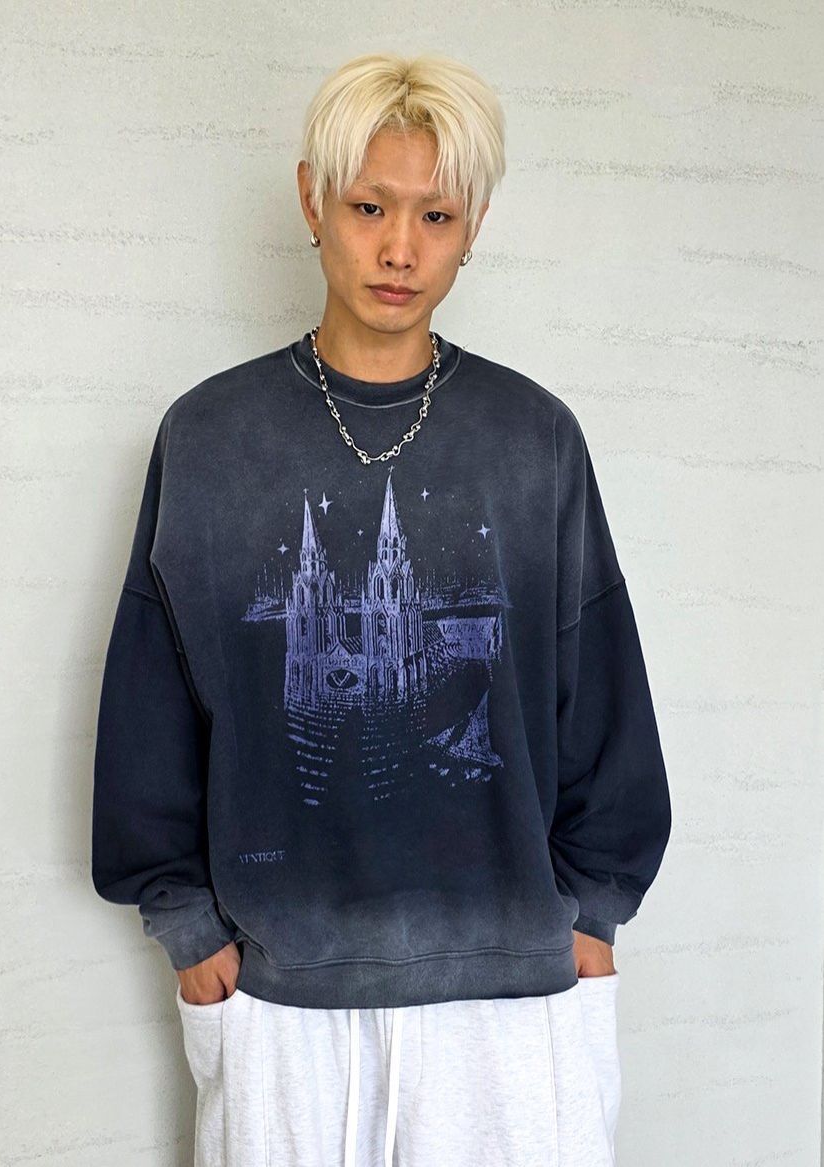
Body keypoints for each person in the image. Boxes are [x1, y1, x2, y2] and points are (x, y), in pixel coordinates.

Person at [91, 51, 671, 1167]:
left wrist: (592, 916)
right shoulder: (210, 438)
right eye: (368, 207)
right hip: (281, 1001)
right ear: (312, 201)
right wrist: (187, 930)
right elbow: (151, 702)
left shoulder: (533, 438)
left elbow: (600, 693)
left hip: (511, 1000)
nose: (399, 248)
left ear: (473, 227)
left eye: (435, 215)